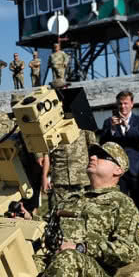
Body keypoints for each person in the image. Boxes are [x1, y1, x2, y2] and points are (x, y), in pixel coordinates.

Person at [12, 142, 139, 277]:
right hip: (54, 262)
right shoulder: (71, 198)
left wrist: (82, 248)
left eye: (102, 156)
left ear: (118, 170)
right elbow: (51, 229)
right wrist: (28, 220)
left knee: (69, 259)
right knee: (20, 265)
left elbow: (129, 251)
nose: (92, 157)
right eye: (93, 154)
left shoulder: (122, 204)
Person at [41, 80, 96, 210]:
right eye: (60, 90)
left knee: (82, 215)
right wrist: (44, 177)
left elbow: (93, 146)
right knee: (58, 215)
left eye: (65, 88)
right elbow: (46, 152)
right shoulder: (49, 118)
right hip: (60, 178)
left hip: (82, 177)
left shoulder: (81, 113)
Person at [99, 90, 139, 208]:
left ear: (132, 104)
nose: (123, 106)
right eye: (120, 103)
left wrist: (128, 127)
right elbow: (102, 143)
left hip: (135, 169)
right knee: (119, 202)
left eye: (126, 103)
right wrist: (111, 128)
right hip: (116, 170)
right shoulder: (108, 122)